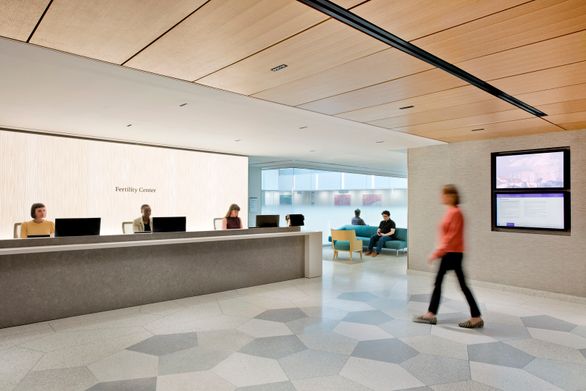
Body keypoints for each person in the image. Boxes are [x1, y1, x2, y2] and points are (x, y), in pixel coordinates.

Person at [414, 184, 483, 329]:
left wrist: (437, 252)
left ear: (451, 196)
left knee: (444, 283)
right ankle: (475, 316)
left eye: (444, 194)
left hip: (452, 253)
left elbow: (451, 237)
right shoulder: (451, 211)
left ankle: (431, 314)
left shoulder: (456, 213)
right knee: (456, 285)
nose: (442, 197)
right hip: (452, 252)